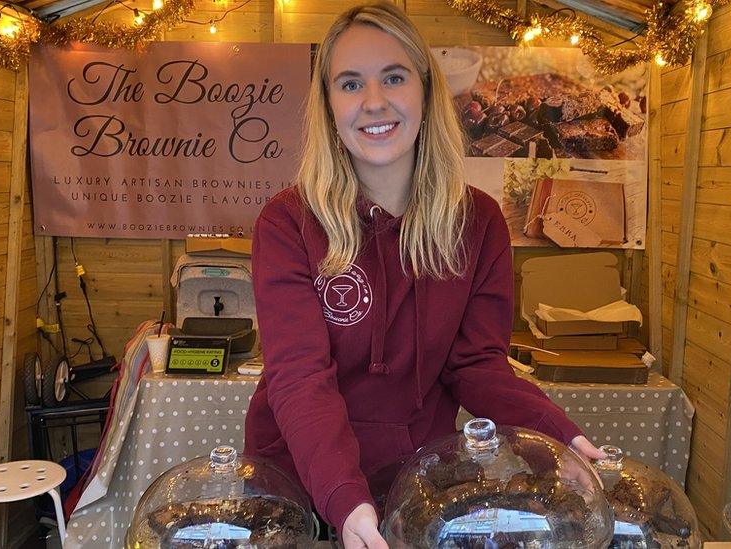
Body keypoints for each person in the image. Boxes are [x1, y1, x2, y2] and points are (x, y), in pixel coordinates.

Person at [244, 3, 603, 547]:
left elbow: (477, 365)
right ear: (326, 105)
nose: (374, 102)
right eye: (349, 83)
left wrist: (558, 436)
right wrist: (344, 498)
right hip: (300, 477)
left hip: (420, 477)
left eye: (393, 76)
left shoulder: (478, 221)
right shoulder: (287, 222)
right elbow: (299, 377)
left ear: (426, 90)